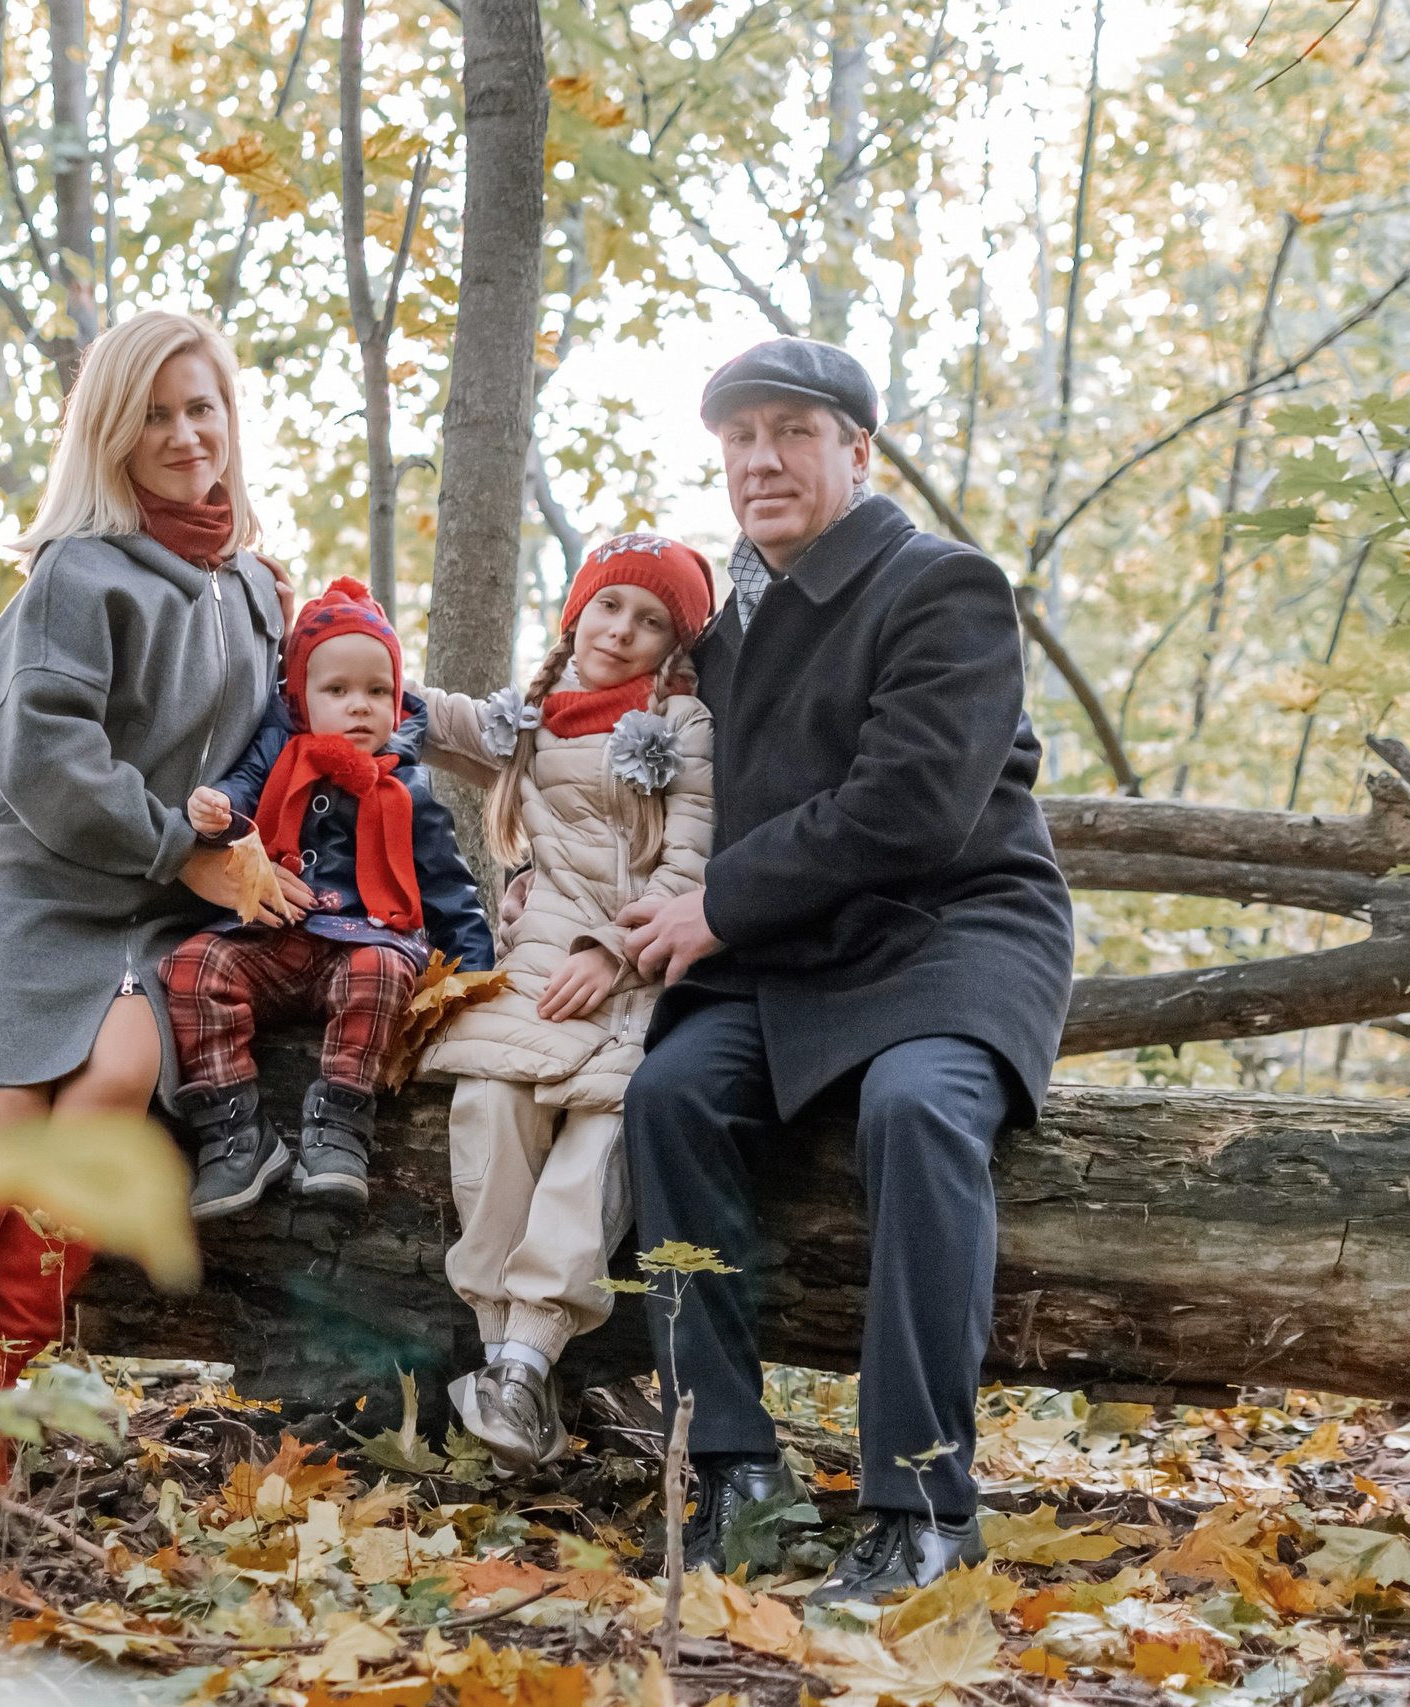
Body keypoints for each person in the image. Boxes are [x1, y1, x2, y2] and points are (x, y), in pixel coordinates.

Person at [618, 338, 1075, 1601]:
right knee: (664, 1102)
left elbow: (914, 807)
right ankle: (734, 1472)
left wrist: (716, 905)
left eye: (791, 433)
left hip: (950, 934)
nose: (759, 460)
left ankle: (923, 1507)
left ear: (857, 453)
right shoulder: (714, 625)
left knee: (917, 1109)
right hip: (781, 957)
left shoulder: (942, 586)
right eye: (738, 439)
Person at [0, 311, 308, 1512]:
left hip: (164, 909)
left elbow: (278, 747)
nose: (185, 436)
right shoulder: (80, 570)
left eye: (203, 408)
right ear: (111, 435)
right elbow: (46, 757)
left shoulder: (259, 589)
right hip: (45, 879)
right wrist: (182, 853)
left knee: (120, 1080)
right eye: (156, 415)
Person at [413, 534, 718, 1473]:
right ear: (575, 611)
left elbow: (691, 865)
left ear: (674, 641)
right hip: (536, 974)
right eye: (609, 606)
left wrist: (617, 951)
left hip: (636, 977)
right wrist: (323, 630)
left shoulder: (683, 727)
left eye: (650, 619)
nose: (621, 631)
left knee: (600, 1129)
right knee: (491, 1107)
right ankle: (510, 1363)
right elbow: (424, 712)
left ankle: (528, 1353)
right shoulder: (533, 719)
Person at [164, 577, 493, 1217]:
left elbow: (452, 890)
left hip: (364, 941)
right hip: (273, 939)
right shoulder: (281, 755)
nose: (359, 706)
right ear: (301, 700)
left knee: (382, 969)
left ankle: (340, 1122)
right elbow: (242, 790)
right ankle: (234, 1131)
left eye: (377, 691)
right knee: (193, 965)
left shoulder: (409, 791)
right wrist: (218, 811)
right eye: (336, 691)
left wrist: (474, 981)